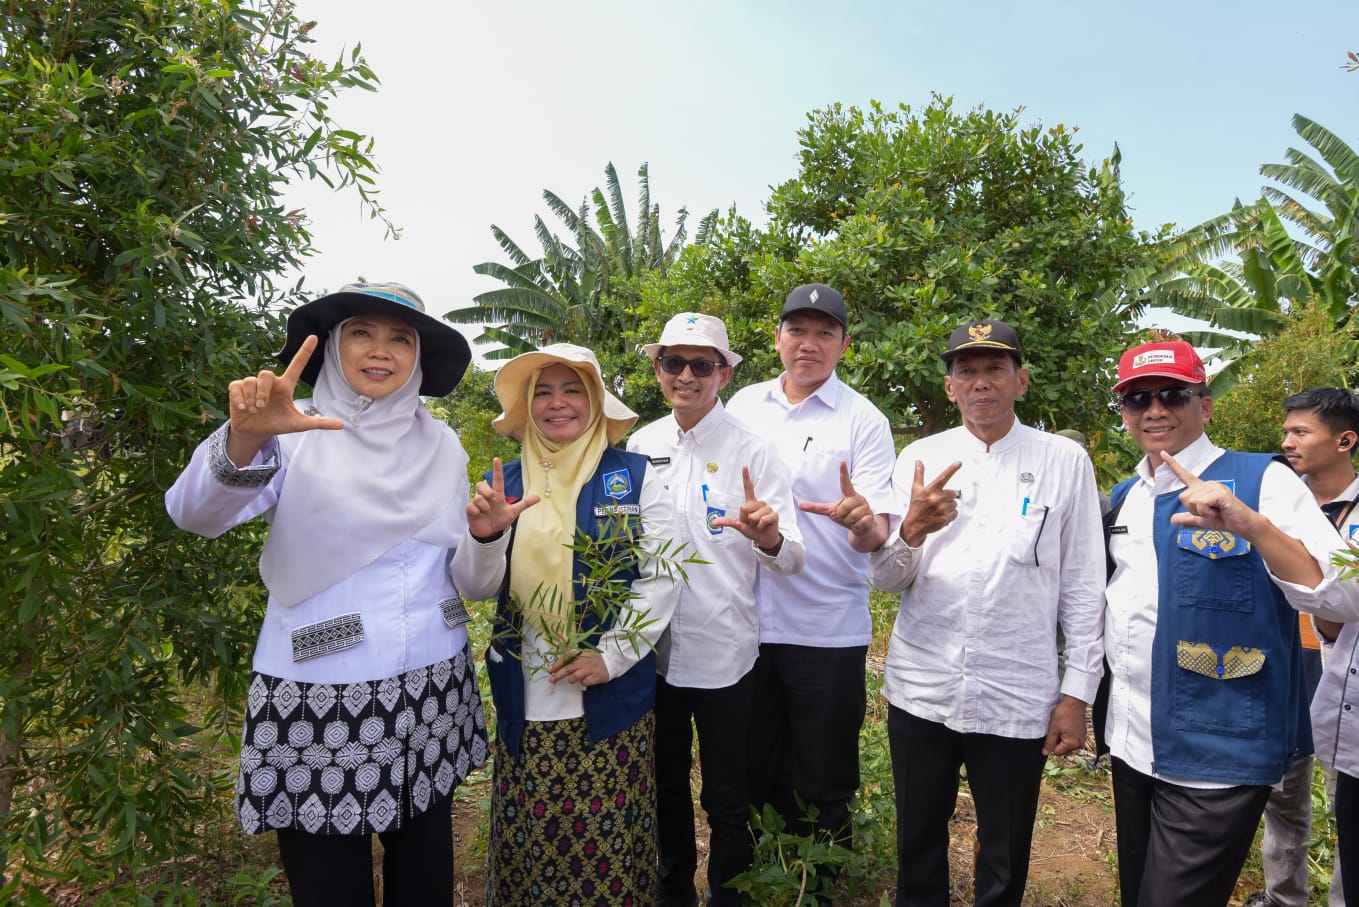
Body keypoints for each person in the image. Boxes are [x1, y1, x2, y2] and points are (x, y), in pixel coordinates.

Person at [165, 282, 488, 907]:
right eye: (362, 332)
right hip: (318, 695)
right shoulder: (292, 433)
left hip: (430, 685)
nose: (381, 351)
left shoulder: (443, 445)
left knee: (423, 879)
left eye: (401, 338)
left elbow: (459, 569)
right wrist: (245, 438)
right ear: (334, 347)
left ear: (417, 358)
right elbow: (193, 514)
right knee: (327, 881)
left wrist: (487, 537)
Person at [1099, 341, 1359, 907]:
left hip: (1220, 746)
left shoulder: (1263, 480)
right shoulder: (1126, 497)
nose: (1155, 409)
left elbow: (1343, 596)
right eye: (1137, 399)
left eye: (1173, 394)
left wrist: (1254, 527)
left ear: (1205, 404)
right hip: (1133, 739)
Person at [863, 319, 1105, 907]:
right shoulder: (922, 457)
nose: (980, 383)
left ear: (1020, 380)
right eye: (966, 371)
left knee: (1006, 841)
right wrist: (912, 531)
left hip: (1017, 687)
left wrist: (1077, 693)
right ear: (949, 388)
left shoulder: (1063, 461)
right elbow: (887, 580)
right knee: (918, 834)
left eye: (994, 369)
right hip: (924, 686)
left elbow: (1082, 583)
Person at [450, 343, 680, 906]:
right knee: (535, 843)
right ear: (527, 406)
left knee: (608, 845)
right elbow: (477, 586)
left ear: (596, 400)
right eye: (543, 392)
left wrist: (614, 654)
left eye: (572, 389)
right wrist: (485, 536)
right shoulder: (501, 481)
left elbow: (662, 574)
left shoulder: (635, 476)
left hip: (609, 701)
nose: (558, 404)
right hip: (527, 694)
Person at [626, 313, 806, 906]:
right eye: (672, 362)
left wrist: (769, 537)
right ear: (657, 370)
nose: (686, 375)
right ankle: (672, 889)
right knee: (664, 785)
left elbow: (791, 558)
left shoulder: (754, 451)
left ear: (724, 373)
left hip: (725, 653)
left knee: (728, 794)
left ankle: (729, 895)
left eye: (701, 364)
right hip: (649, 655)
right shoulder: (640, 445)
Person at [725, 283, 898, 896]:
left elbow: (877, 530)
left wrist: (863, 522)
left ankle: (819, 886)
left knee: (825, 775)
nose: (809, 344)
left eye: (825, 332)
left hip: (826, 626)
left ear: (844, 346)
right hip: (743, 623)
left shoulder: (864, 421)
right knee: (752, 765)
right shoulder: (742, 405)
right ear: (777, 338)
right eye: (797, 330)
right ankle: (758, 881)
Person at [1276, 386, 1359, 907]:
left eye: (1301, 432)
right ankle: (1283, 895)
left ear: (1345, 440)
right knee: (1283, 791)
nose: (1287, 442)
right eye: (1286, 431)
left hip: (1337, 664)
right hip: (1283, 660)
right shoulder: (1279, 505)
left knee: (1346, 798)